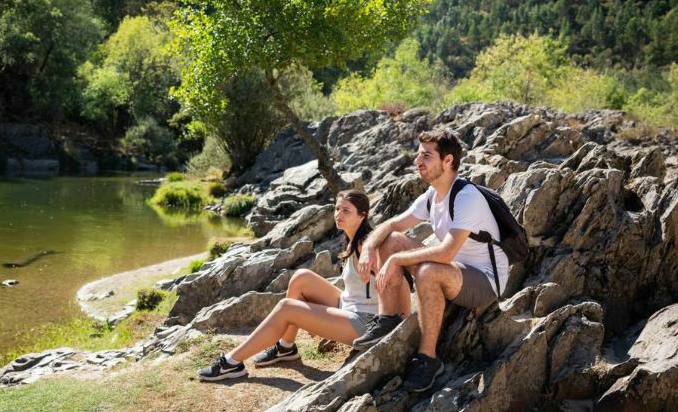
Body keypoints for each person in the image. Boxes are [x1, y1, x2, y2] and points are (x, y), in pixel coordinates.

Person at [352, 129, 509, 393]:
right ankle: (387, 318)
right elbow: (392, 224)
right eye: (418, 154)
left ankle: (428, 359)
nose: (418, 161)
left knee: (426, 272)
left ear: (447, 161)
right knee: (389, 240)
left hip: (485, 281)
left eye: (426, 155)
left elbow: (446, 253)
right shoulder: (432, 196)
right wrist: (368, 248)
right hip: (454, 271)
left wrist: (397, 261)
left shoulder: (466, 197)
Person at [197, 189, 410, 381]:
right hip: (349, 305)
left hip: (365, 322)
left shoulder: (367, 245)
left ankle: (231, 362)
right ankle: (286, 347)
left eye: (346, 210)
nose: (338, 214)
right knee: (301, 277)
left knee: (286, 308)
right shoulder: (352, 240)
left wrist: (401, 324)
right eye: (337, 208)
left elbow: (398, 280)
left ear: (362, 215)